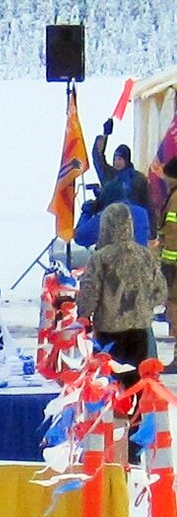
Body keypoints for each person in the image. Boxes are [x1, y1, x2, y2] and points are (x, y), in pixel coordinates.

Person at [78, 202, 166, 456]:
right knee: (137, 387)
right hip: (139, 332)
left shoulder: (101, 258)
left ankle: (110, 446)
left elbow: (90, 293)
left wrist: (83, 315)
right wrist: (142, 305)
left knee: (110, 390)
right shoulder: (144, 255)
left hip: (108, 335)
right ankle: (135, 447)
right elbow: (160, 292)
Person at [91, 119, 153, 226]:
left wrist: (150, 231)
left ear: (127, 159)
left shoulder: (138, 178)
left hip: (132, 224)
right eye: (115, 159)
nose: (117, 162)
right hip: (109, 222)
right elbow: (98, 157)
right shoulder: (109, 175)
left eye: (120, 159)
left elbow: (147, 204)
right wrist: (105, 135)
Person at [158, 156, 177, 370]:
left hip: (175, 265)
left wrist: (168, 263)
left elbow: (172, 233)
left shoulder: (175, 198)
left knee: (175, 309)